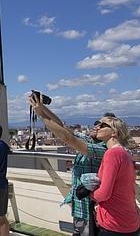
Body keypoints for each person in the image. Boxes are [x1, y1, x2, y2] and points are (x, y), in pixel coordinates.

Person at [29, 93, 113, 236]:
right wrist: (41, 108)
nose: (97, 126)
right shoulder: (90, 141)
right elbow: (62, 127)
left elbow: (67, 138)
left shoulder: (103, 149)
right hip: (81, 204)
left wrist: (41, 115)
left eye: (102, 125)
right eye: (97, 123)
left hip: (91, 208)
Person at [79, 117, 140, 235]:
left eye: (102, 126)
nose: (97, 127)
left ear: (114, 132)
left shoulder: (112, 154)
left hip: (114, 222)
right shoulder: (125, 152)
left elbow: (104, 194)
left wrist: (89, 194)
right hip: (129, 219)